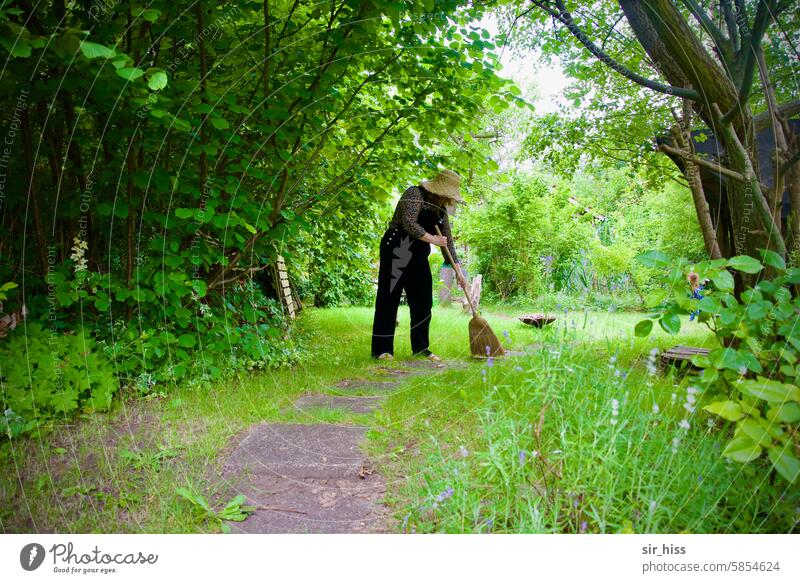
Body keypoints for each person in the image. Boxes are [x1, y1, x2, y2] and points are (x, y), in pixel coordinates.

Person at [371, 169, 464, 361]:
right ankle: (382, 350)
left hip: (418, 255)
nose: (448, 199)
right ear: (439, 190)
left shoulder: (441, 209)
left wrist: (457, 269)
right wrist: (433, 239)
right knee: (389, 299)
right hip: (396, 248)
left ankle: (421, 348)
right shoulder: (415, 193)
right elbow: (408, 223)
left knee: (422, 302)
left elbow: (447, 241)